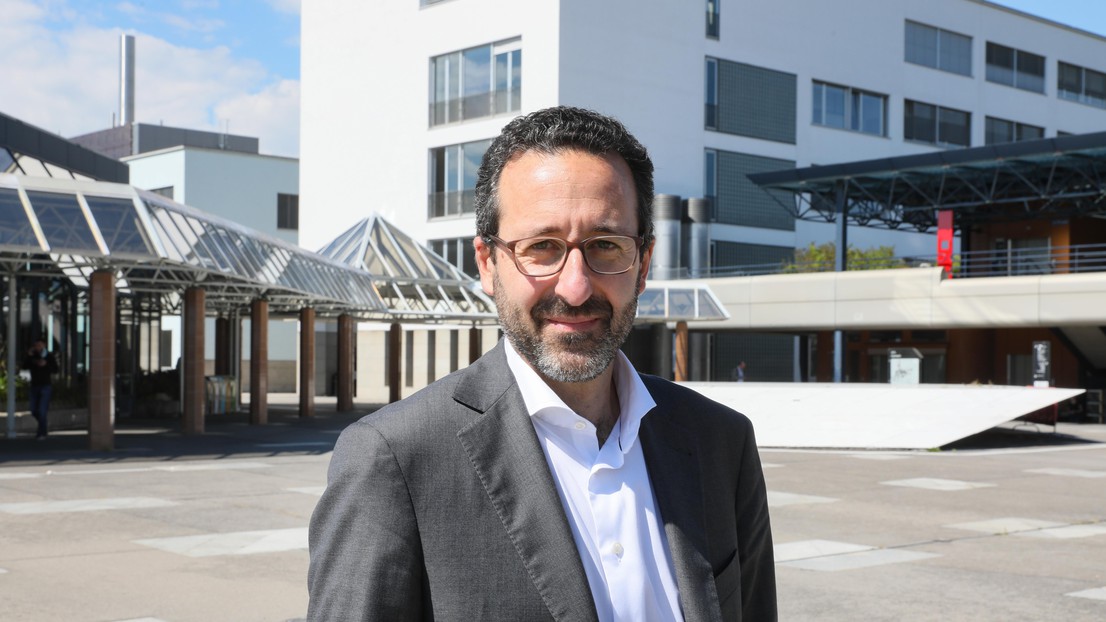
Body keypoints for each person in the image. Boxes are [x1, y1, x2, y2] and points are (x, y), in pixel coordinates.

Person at [308, 107, 776, 621]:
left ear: (643, 264)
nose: (575, 286)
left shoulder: (720, 442)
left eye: (605, 245)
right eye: (542, 248)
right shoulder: (395, 461)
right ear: (488, 264)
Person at [22, 338, 59, 440]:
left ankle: (41, 433)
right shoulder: (33, 356)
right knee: (34, 410)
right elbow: (24, 366)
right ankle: (43, 426)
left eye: (40, 345)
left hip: (45, 386)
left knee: (42, 410)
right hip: (34, 385)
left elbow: (55, 370)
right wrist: (29, 356)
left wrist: (46, 364)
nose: (38, 347)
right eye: (36, 345)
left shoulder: (49, 356)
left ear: (44, 345)